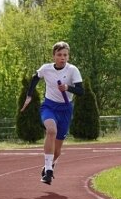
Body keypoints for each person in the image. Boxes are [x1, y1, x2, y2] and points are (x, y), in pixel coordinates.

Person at [20, 41, 84, 185]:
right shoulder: (46, 69)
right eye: (59, 55)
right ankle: (48, 171)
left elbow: (81, 91)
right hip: (49, 106)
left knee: (57, 151)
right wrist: (29, 96)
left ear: (68, 56)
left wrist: (67, 87)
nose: (63, 57)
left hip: (66, 110)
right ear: (54, 56)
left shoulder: (73, 70)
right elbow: (35, 78)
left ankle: (50, 164)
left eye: (65, 55)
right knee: (51, 130)